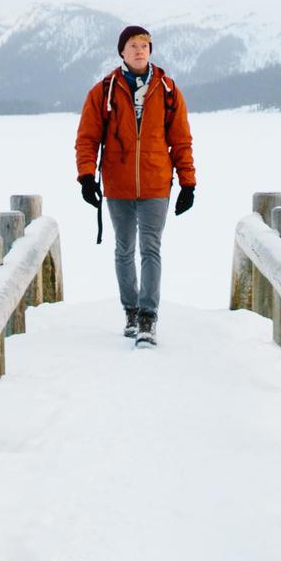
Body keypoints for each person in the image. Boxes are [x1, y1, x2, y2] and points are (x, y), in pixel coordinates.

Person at [75, 24, 196, 346]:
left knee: (151, 249)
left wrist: (188, 183)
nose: (140, 50)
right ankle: (130, 311)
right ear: (122, 52)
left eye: (144, 45)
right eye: (133, 45)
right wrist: (87, 177)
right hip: (118, 183)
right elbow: (87, 139)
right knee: (124, 249)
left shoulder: (168, 90)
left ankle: (148, 317)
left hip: (157, 183)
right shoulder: (104, 91)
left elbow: (181, 141)